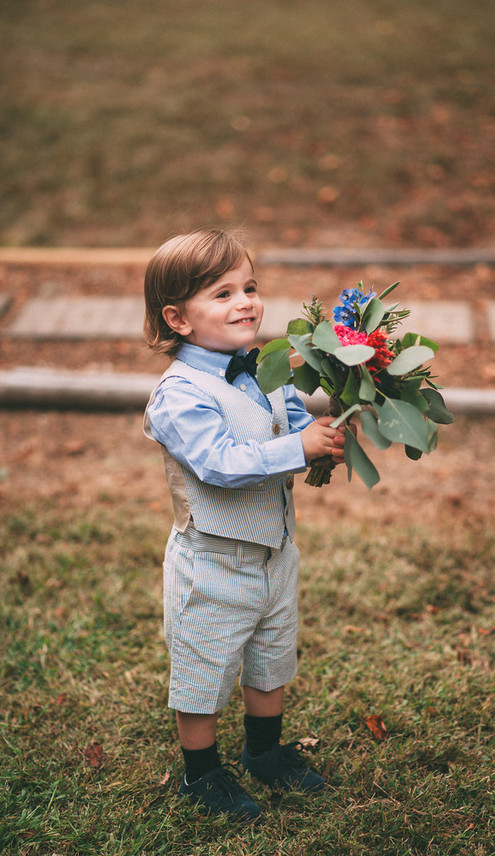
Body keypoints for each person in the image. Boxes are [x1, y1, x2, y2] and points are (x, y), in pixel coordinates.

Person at [143, 229, 346, 822]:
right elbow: (220, 465)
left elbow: (288, 422)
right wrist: (298, 449)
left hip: (274, 552)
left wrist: (333, 419)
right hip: (212, 563)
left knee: (271, 656)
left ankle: (265, 753)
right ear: (178, 318)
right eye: (223, 293)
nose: (246, 302)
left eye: (250, 287)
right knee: (204, 668)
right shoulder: (179, 395)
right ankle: (200, 773)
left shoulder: (263, 370)